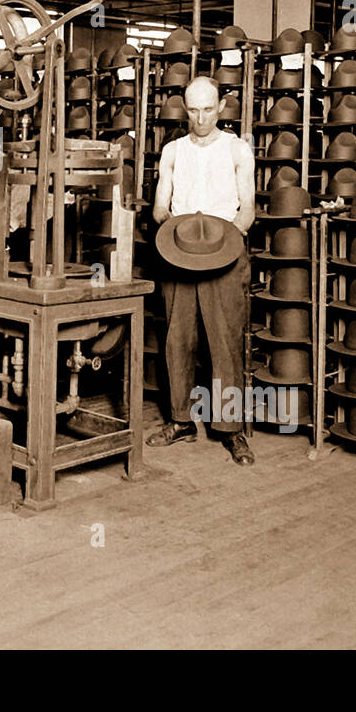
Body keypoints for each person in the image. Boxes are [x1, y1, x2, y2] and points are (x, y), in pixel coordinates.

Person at [148, 75, 257, 464]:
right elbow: (160, 208)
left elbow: (248, 210)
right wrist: (185, 234)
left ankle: (230, 429)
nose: (200, 117)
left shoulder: (238, 149)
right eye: (193, 110)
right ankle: (180, 421)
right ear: (185, 108)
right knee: (178, 339)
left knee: (224, 343)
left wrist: (218, 241)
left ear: (221, 108)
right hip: (179, 253)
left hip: (225, 255)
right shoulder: (173, 150)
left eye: (208, 109)